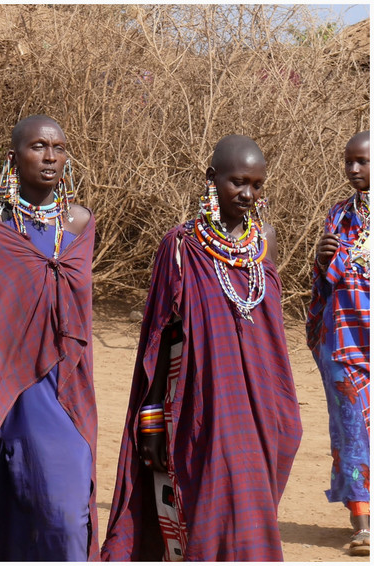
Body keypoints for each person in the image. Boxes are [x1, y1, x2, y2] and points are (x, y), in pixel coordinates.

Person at [102, 135, 302, 561]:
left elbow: (270, 333)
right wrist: (151, 421)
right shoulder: (180, 246)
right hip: (200, 408)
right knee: (212, 505)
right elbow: (158, 342)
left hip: (262, 406)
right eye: (237, 182)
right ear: (212, 178)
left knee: (251, 508)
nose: (248, 194)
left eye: (256, 184)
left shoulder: (264, 239)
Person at [0, 116, 97, 561]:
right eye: (39, 147)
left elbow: (79, 320)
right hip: (0, 390)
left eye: (59, 148)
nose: (51, 157)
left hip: (59, 390)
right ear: (13, 157)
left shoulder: (80, 225)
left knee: (65, 515)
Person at [307, 130, 370, 556]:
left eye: (363, 161)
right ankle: (362, 523)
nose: (353, 170)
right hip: (344, 341)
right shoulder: (339, 215)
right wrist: (322, 256)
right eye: (348, 161)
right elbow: (324, 283)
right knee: (351, 426)